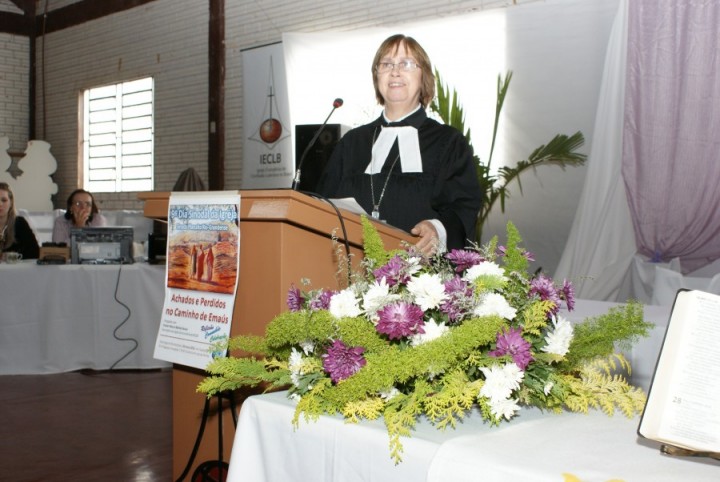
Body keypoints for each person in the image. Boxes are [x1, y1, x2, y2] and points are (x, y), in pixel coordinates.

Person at [316, 34, 482, 255]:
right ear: (377, 77)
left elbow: (464, 206)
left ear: (424, 77)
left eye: (407, 63)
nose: (395, 71)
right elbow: (323, 207)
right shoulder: (352, 142)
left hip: (422, 276)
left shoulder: (448, 141)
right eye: (386, 64)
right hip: (352, 271)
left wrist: (438, 229)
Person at [0, 182, 40, 259]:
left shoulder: (20, 223)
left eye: (4, 200)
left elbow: (35, 252)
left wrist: (12, 256)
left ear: (11, 203)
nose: (0, 204)